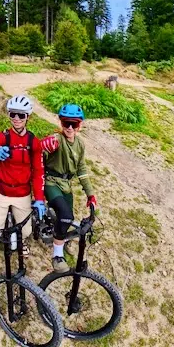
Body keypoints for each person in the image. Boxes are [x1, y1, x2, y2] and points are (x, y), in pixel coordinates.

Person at [0, 94, 45, 277]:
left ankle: (22, 242)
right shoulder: (3, 136)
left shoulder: (33, 142)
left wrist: (39, 198)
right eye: (12, 114)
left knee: (25, 229)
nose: (16, 119)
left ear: (28, 117)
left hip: (22, 192)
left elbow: (38, 171)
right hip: (1, 190)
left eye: (21, 115)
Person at [39, 104, 97, 273]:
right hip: (51, 182)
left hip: (66, 185)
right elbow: (39, 151)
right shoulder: (56, 140)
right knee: (66, 216)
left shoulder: (80, 143)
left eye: (74, 124)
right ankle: (57, 256)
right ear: (61, 122)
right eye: (66, 123)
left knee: (65, 219)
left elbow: (82, 169)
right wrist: (41, 146)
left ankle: (59, 237)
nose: (70, 128)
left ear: (81, 125)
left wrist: (90, 194)